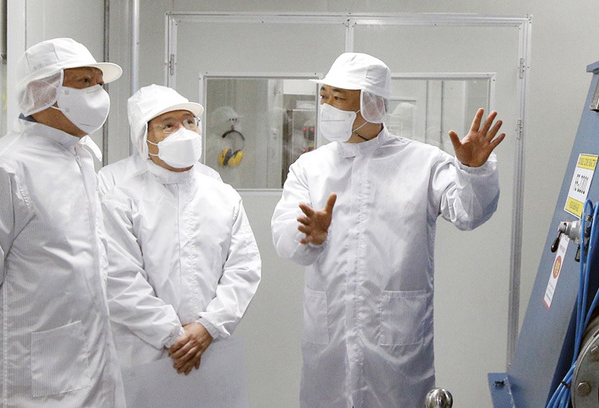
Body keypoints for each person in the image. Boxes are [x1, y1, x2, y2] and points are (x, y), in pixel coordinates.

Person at [271, 52, 505, 408]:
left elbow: (469, 213)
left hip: (397, 343)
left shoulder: (423, 162)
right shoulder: (309, 167)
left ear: (372, 104)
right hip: (329, 342)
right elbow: (285, 237)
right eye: (325, 96)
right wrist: (311, 238)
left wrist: (474, 172)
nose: (327, 107)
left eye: (338, 97)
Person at [0, 38, 126, 407]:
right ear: (44, 91)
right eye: (84, 82)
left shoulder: (81, 158)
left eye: (99, 83)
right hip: (27, 374)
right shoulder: (3, 168)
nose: (98, 94)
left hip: (87, 362)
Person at [101, 85, 260, 386]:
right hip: (146, 354)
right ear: (144, 139)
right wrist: (173, 335)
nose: (184, 132)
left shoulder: (224, 196)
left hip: (211, 347)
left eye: (189, 122)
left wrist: (208, 327)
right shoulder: (122, 201)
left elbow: (244, 268)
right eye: (168, 125)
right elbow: (119, 280)